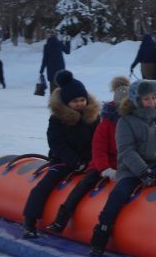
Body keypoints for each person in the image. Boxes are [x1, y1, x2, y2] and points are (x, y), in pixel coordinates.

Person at [89, 79, 156, 257]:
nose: (152, 102)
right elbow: (126, 150)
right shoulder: (125, 121)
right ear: (137, 100)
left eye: (154, 98)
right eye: (147, 99)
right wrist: (143, 171)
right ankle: (100, 236)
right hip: (132, 171)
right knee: (118, 196)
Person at [43, 76, 130, 234]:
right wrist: (103, 168)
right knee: (84, 184)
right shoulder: (106, 123)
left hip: (128, 166)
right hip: (100, 164)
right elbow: (98, 148)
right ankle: (61, 218)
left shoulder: (137, 123)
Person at [22, 70, 100, 238]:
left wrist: (93, 160)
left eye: (82, 100)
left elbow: (98, 141)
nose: (79, 104)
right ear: (66, 103)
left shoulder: (93, 117)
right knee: (45, 185)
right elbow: (57, 143)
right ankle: (29, 220)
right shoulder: (58, 119)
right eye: (75, 101)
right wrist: (74, 161)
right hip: (63, 160)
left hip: (89, 161)